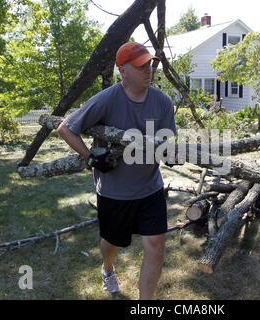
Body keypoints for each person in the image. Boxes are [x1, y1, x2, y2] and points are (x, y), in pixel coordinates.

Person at [57, 42, 177, 300]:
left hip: (150, 188)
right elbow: (65, 129)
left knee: (156, 246)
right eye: (140, 65)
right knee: (113, 243)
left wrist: (172, 155)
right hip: (114, 191)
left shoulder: (163, 102)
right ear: (123, 71)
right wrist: (91, 158)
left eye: (150, 64)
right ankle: (108, 267)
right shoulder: (106, 99)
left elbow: (166, 143)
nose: (148, 69)